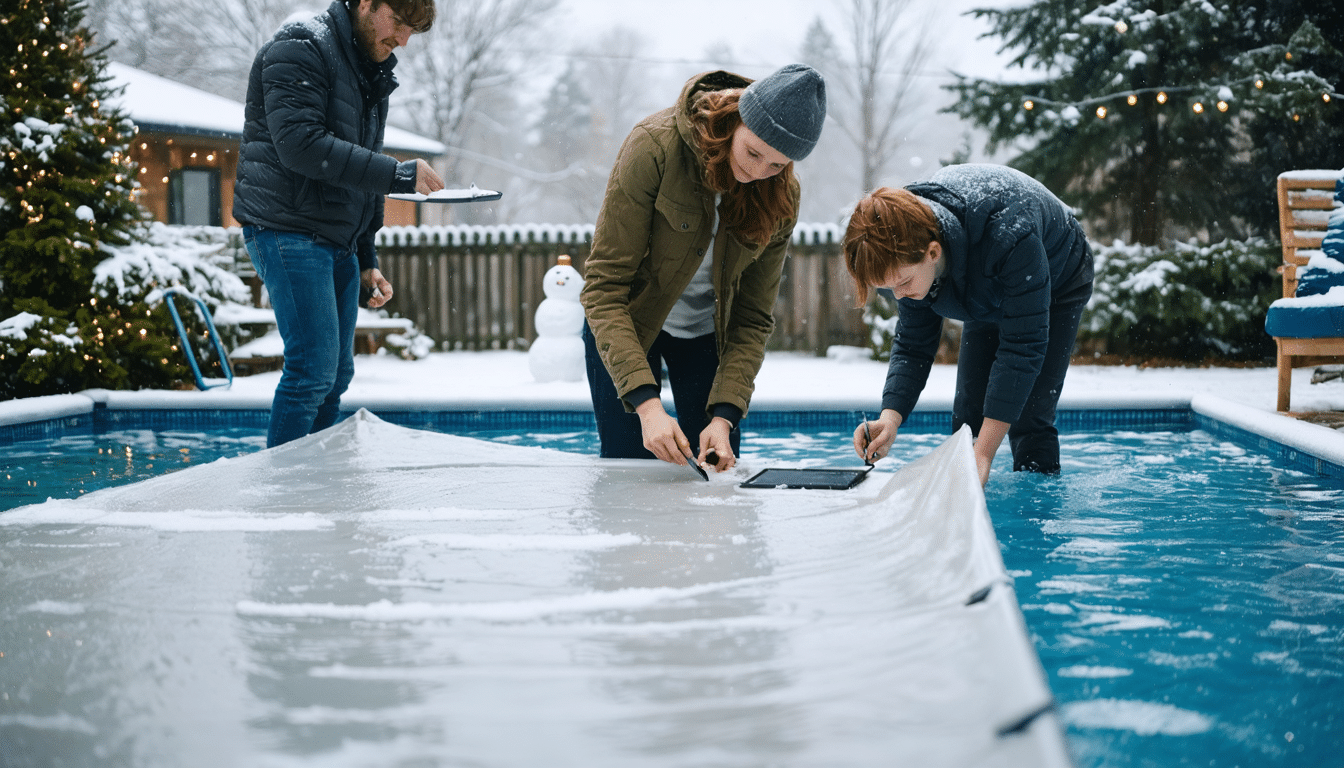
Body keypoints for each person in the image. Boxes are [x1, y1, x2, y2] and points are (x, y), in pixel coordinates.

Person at [581, 65, 827, 473]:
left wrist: (724, 416)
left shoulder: (781, 196)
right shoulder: (654, 147)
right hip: (629, 323)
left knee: (713, 475)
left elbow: (751, 317)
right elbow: (603, 289)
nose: (758, 172)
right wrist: (646, 405)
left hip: (706, 335)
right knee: (630, 475)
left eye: (777, 164)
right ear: (736, 120)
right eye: (753, 152)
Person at [233, 0, 444, 448]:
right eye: (399, 23)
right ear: (367, 3)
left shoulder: (369, 67)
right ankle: (284, 490)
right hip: (286, 228)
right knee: (312, 370)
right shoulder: (300, 45)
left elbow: (357, 173)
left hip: (337, 239)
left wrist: (367, 257)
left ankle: (314, 482)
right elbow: (301, 145)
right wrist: (397, 174)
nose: (403, 39)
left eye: (412, 31)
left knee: (335, 376)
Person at [844, 164, 1095, 485]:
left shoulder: (1008, 234)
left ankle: (1037, 513)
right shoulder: (904, 245)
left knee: (1029, 417)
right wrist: (890, 418)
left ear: (933, 252)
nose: (899, 296)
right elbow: (913, 344)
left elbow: (1023, 348)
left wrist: (985, 453)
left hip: (1059, 280)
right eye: (889, 288)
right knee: (967, 420)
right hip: (982, 284)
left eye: (903, 282)